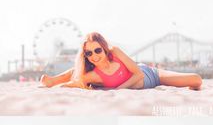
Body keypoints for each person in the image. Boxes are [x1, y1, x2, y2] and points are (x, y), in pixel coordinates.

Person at [40, 32, 202, 90]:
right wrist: (59, 84)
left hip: (151, 74)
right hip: (147, 83)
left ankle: (52, 80)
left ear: (104, 48)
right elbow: (76, 77)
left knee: (196, 80)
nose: (94, 56)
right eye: (89, 53)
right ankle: (52, 81)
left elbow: (138, 74)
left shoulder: (115, 52)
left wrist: (119, 88)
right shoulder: (93, 75)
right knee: (78, 73)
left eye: (98, 50)